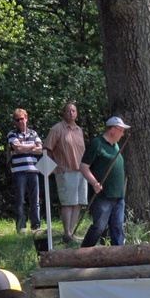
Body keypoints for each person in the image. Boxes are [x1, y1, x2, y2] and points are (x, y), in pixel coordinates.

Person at [79, 116, 129, 249]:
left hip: (118, 195)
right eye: (121, 130)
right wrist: (95, 183)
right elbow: (83, 167)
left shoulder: (116, 145)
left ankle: (118, 255)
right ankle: (83, 252)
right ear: (113, 130)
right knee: (99, 227)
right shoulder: (97, 144)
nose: (122, 134)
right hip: (103, 195)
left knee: (117, 227)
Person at [44, 102, 87, 243]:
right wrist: (51, 168)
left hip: (81, 171)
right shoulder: (57, 129)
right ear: (63, 113)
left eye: (74, 111)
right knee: (68, 203)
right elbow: (47, 149)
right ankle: (66, 233)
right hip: (65, 171)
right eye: (68, 111)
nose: (71, 113)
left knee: (79, 202)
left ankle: (71, 232)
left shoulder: (79, 130)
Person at [7, 109, 43, 234]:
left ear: (26, 118)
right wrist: (32, 146)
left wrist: (25, 147)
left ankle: (36, 227)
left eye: (22, 119)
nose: (20, 122)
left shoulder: (33, 133)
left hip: (33, 170)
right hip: (18, 171)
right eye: (17, 120)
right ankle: (21, 227)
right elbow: (17, 148)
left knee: (35, 200)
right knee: (20, 200)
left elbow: (40, 150)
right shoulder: (12, 134)